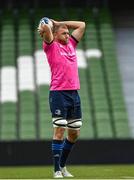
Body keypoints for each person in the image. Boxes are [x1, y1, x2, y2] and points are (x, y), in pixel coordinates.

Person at [38, 17, 85, 178]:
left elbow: (82, 25)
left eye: (68, 33)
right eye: (64, 33)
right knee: (59, 131)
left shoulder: (71, 44)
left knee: (74, 133)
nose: (67, 35)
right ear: (56, 35)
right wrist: (48, 27)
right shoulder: (51, 46)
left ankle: (63, 166)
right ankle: (56, 169)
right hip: (59, 93)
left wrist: (58, 22)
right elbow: (46, 30)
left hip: (74, 93)